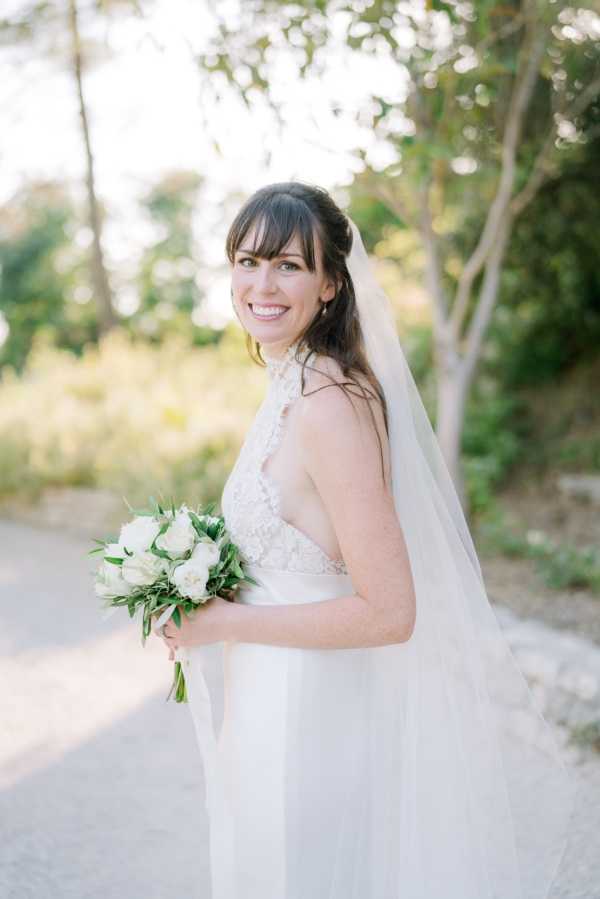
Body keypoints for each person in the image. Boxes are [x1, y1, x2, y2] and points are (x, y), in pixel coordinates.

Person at [156, 181, 578, 898]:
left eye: (289, 265)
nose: (263, 283)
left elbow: (390, 610)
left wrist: (225, 619)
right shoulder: (293, 384)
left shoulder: (329, 405)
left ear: (329, 285)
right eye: (249, 260)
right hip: (268, 700)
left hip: (312, 717)